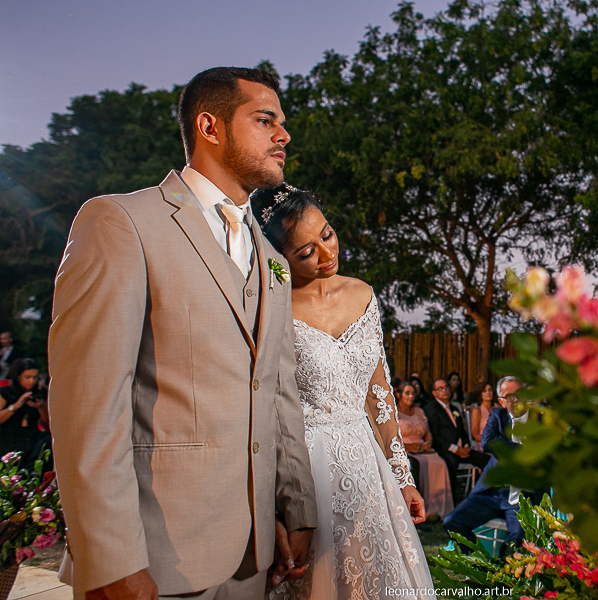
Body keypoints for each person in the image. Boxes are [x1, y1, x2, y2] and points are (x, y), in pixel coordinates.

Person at [48, 67, 318, 600]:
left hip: (256, 556)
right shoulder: (121, 222)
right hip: (154, 559)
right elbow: (88, 406)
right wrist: (110, 560)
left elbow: (279, 393)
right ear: (210, 126)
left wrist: (296, 508)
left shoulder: (272, 259)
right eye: (265, 120)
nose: (284, 135)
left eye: (281, 123)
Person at [256, 184, 432, 600]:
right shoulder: (271, 307)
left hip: (369, 468)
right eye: (306, 252)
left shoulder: (363, 293)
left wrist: (403, 478)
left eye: (327, 235)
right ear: (280, 257)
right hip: (307, 472)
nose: (326, 253)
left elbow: (378, 393)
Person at [443, 376, 537, 553]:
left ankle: (503, 567)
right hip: (492, 493)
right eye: (509, 396)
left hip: (522, 496)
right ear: (502, 402)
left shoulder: (539, 420)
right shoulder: (498, 415)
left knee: (516, 540)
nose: (515, 399)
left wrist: (503, 445)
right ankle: (479, 562)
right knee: (452, 522)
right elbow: (487, 442)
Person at [424, 379, 491, 504]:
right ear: (434, 393)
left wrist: (466, 445)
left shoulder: (454, 408)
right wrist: (455, 449)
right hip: (444, 450)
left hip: (461, 450)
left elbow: (462, 431)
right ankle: (452, 503)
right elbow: (436, 435)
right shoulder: (431, 409)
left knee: (487, 460)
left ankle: (484, 495)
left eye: (446, 387)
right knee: (451, 463)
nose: (444, 390)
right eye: (440, 388)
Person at [396, 380, 454, 519]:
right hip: (405, 449)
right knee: (421, 464)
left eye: (412, 393)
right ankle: (421, 508)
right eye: (407, 393)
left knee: (440, 463)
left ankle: (437, 509)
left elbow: (428, 433)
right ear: (399, 395)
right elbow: (391, 437)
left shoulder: (419, 411)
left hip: (423, 449)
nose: (411, 396)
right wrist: (409, 447)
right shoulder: (394, 412)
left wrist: (428, 442)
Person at [0, 358, 50, 465]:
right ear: (19, 377)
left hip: (30, 437)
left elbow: (47, 424)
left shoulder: (40, 393)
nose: (32, 381)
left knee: (46, 441)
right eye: (27, 377)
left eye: (35, 377)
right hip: (8, 438)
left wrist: (41, 407)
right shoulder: (6, 392)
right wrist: (16, 405)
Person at [467, 382, 495, 451]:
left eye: (490, 390)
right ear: (480, 394)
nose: (488, 393)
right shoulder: (477, 411)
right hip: (483, 445)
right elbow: (475, 434)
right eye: (484, 391)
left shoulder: (497, 409)